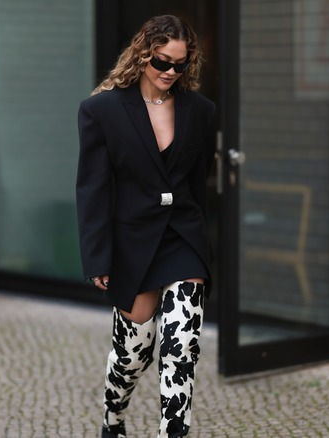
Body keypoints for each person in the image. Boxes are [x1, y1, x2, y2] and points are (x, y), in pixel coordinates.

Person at [75, 15, 216, 438]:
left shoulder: (200, 111)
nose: (171, 71)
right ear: (142, 54)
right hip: (131, 242)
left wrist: (201, 237)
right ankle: (113, 418)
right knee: (132, 354)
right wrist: (98, 257)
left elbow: (197, 182)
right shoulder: (101, 110)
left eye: (180, 64)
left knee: (181, 348)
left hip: (183, 238)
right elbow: (93, 189)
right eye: (162, 62)